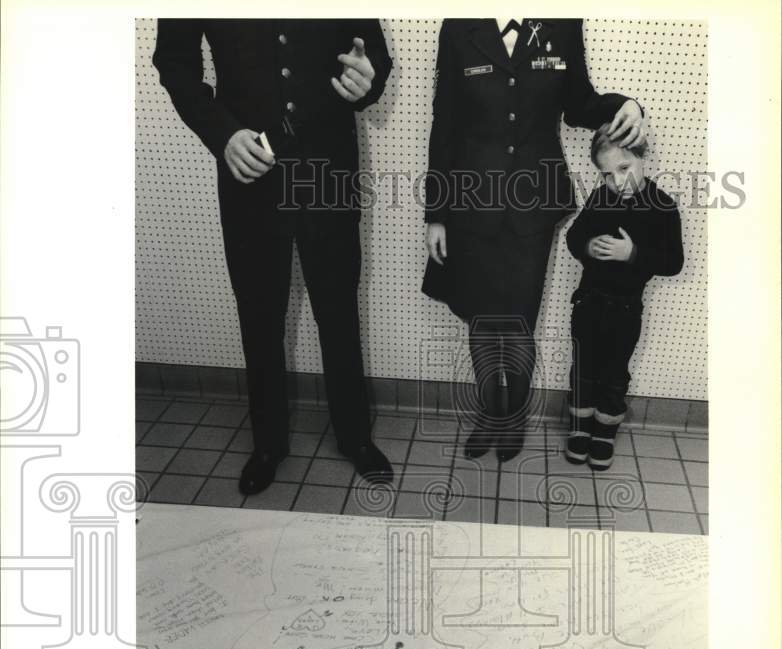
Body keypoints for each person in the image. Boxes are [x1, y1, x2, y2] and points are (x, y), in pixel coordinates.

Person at [153, 19, 394, 494]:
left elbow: (373, 54)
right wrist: (221, 133)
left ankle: (354, 436)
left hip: (328, 164)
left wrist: (370, 79)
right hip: (250, 167)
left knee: (338, 307)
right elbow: (175, 63)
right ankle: (268, 444)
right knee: (259, 314)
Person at [422, 17, 646, 462]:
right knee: (482, 322)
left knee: (519, 321)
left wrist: (627, 104)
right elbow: (444, 122)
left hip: (533, 205)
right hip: (471, 202)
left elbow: (580, 104)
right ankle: (490, 412)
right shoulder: (458, 27)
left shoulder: (561, 24)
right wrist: (436, 214)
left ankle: (514, 417)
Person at [563, 124, 684, 468]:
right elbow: (575, 238)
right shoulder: (600, 198)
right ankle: (580, 429)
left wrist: (632, 254)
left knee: (615, 373)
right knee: (582, 369)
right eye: (606, 174)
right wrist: (587, 245)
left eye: (623, 169)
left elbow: (673, 262)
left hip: (626, 310)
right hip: (588, 304)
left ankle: (604, 433)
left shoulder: (663, 206)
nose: (616, 181)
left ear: (642, 157)